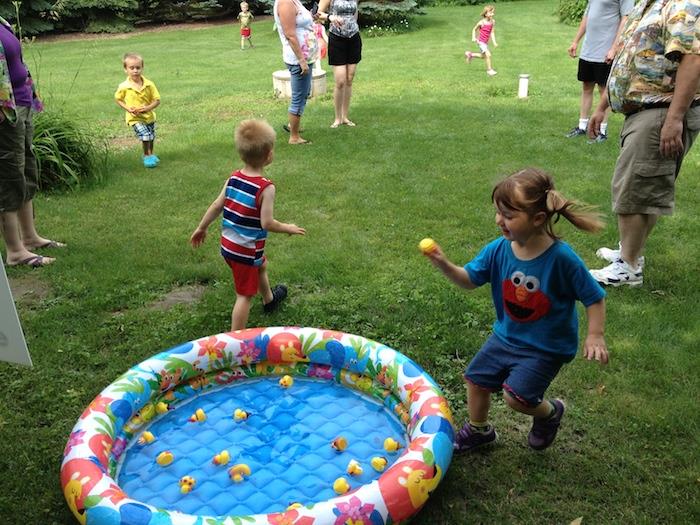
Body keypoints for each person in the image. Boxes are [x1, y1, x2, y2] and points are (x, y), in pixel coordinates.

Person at [422, 168, 608, 452]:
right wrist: (444, 264)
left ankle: (550, 413)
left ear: (538, 219)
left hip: (546, 347)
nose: (500, 220)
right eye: (498, 212)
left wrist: (595, 335)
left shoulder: (562, 259)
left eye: (509, 216)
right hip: (506, 337)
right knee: (476, 381)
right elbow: (470, 280)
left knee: (517, 398)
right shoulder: (499, 249)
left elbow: (593, 297)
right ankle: (479, 431)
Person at [587, 0, 700, 287]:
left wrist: (674, 119)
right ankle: (630, 252)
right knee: (641, 187)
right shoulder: (647, 4)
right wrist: (603, 106)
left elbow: (694, 58)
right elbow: (627, 61)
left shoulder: (684, 3)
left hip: (660, 111)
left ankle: (629, 267)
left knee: (636, 188)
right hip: (644, 110)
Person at [190, 120, 306, 330]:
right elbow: (267, 222)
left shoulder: (233, 178)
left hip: (229, 246)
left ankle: (269, 300)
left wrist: (202, 227)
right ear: (269, 154)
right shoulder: (266, 188)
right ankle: (235, 342)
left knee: (261, 265)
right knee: (244, 295)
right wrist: (288, 227)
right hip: (245, 251)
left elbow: (217, 205)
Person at [0, 16, 65, 268]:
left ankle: (31, 236)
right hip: (6, 112)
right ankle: (15, 250)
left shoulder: (2, 21)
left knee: (26, 168)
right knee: (9, 176)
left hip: (21, 103)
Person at [565, 0, 633, 143]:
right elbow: (587, 15)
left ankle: (601, 130)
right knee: (586, 86)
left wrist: (614, 48)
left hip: (606, 50)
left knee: (604, 91)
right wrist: (575, 41)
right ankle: (582, 126)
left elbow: (626, 19)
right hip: (589, 48)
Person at [274, 0, 319, 144]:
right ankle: (294, 137)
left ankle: (292, 125)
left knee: (304, 92)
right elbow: (290, 35)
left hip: (306, 57)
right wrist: (301, 60)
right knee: (299, 96)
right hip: (298, 59)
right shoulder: (285, 3)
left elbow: (300, 21)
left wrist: (313, 17)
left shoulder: (294, 1)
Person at [318, 0, 362, 127]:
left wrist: (353, 25)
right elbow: (317, 13)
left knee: (349, 79)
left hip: (353, 38)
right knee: (340, 81)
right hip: (337, 38)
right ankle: (337, 118)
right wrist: (330, 17)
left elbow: (355, 13)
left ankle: (345, 117)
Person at [114, 52, 161, 168]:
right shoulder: (124, 86)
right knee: (146, 135)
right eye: (131, 68)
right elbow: (118, 99)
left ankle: (151, 153)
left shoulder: (149, 84)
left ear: (142, 68)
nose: (135, 70)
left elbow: (157, 100)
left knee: (151, 136)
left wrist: (148, 108)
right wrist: (128, 108)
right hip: (135, 118)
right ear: (126, 69)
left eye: (138, 68)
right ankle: (146, 156)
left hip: (149, 116)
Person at [465, 5, 498, 77]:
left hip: (485, 42)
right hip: (481, 42)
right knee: (488, 55)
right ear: (486, 14)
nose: (493, 14)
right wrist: (473, 37)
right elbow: (474, 29)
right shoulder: (481, 22)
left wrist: (494, 42)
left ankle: (470, 54)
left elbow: (492, 32)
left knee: (483, 56)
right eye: (491, 13)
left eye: (493, 12)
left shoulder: (493, 22)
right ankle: (489, 70)